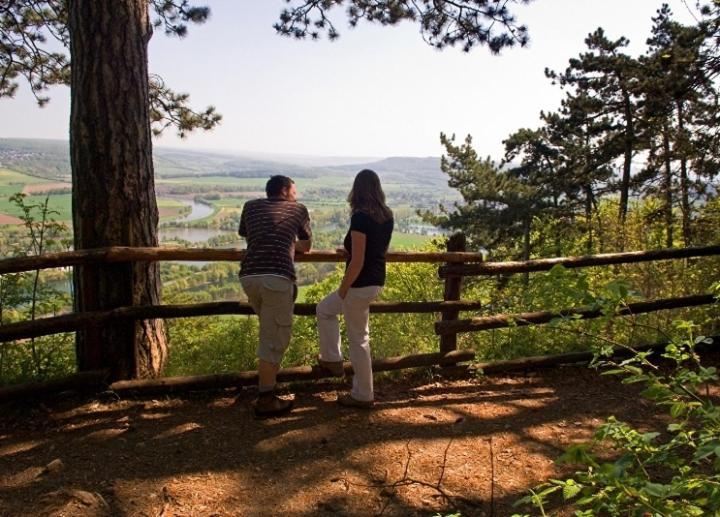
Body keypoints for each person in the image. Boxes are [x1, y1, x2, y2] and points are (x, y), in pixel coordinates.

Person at [316, 169, 394, 408]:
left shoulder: (360, 217)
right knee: (325, 309)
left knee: (359, 339)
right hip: (376, 281)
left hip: (358, 285)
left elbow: (359, 261)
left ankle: (362, 394)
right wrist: (349, 252)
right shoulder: (387, 215)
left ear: (357, 190)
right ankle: (332, 359)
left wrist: (343, 288)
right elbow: (376, 250)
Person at [239, 175, 312, 417]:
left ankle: (266, 391)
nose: (296, 195)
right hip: (276, 278)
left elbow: (250, 238)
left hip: (249, 277)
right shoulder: (298, 209)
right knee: (274, 339)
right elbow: (307, 245)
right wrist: (290, 243)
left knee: (269, 333)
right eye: (294, 191)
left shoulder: (250, 207)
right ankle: (266, 399)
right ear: (284, 190)